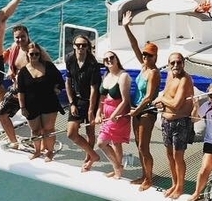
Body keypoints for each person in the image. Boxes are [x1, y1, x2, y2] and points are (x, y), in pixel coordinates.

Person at [122, 11, 161, 191]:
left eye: (149, 55)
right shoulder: (144, 66)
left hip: (146, 111)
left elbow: (149, 97)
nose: (145, 57)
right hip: (136, 110)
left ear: (155, 57)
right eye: (144, 55)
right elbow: (134, 45)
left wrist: (136, 111)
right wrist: (126, 27)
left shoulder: (153, 73)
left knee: (144, 147)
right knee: (138, 145)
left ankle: (149, 179)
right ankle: (144, 175)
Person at [153, 51, 194, 198]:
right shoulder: (170, 75)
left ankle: (180, 187)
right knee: (170, 155)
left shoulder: (185, 79)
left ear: (183, 63)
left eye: (178, 62)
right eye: (173, 63)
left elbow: (176, 104)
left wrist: (161, 100)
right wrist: (161, 103)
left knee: (178, 156)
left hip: (180, 123)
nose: (176, 65)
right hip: (166, 122)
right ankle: (174, 183)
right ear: (169, 64)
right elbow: (166, 94)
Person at [16, 42, 64, 161]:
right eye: (32, 54)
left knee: (49, 129)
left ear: (40, 54)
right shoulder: (22, 72)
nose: (34, 56)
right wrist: (22, 107)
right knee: (35, 130)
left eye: (37, 54)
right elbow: (21, 91)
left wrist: (57, 88)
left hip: (49, 103)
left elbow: (60, 80)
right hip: (31, 106)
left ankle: (50, 151)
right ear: (27, 54)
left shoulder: (49, 66)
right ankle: (37, 151)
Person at [64, 34, 102, 171]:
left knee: (90, 131)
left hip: (91, 100)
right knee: (71, 133)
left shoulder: (93, 64)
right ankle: (94, 155)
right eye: (78, 45)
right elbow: (68, 82)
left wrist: (91, 111)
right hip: (77, 99)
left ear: (87, 47)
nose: (81, 47)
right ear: (74, 46)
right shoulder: (70, 59)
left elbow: (94, 89)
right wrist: (72, 103)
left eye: (84, 45)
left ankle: (89, 157)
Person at [0, 24, 33, 148]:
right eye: (17, 37)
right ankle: (14, 142)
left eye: (23, 37)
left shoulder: (34, 51)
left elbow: (46, 68)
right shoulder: (14, 47)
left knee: (33, 121)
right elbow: (11, 62)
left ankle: (39, 145)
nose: (20, 40)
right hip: (17, 88)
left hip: (31, 92)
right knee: (1, 113)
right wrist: (11, 70)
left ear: (28, 36)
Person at [95, 51, 132, 180]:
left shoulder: (123, 76)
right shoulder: (106, 75)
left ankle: (117, 167)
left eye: (112, 57)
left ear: (116, 59)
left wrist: (114, 115)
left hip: (118, 116)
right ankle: (118, 168)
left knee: (101, 143)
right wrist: (98, 113)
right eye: (106, 59)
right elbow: (102, 97)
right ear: (104, 63)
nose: (109, 60)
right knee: (116, 142)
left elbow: (125, 100)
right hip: (107, 114)